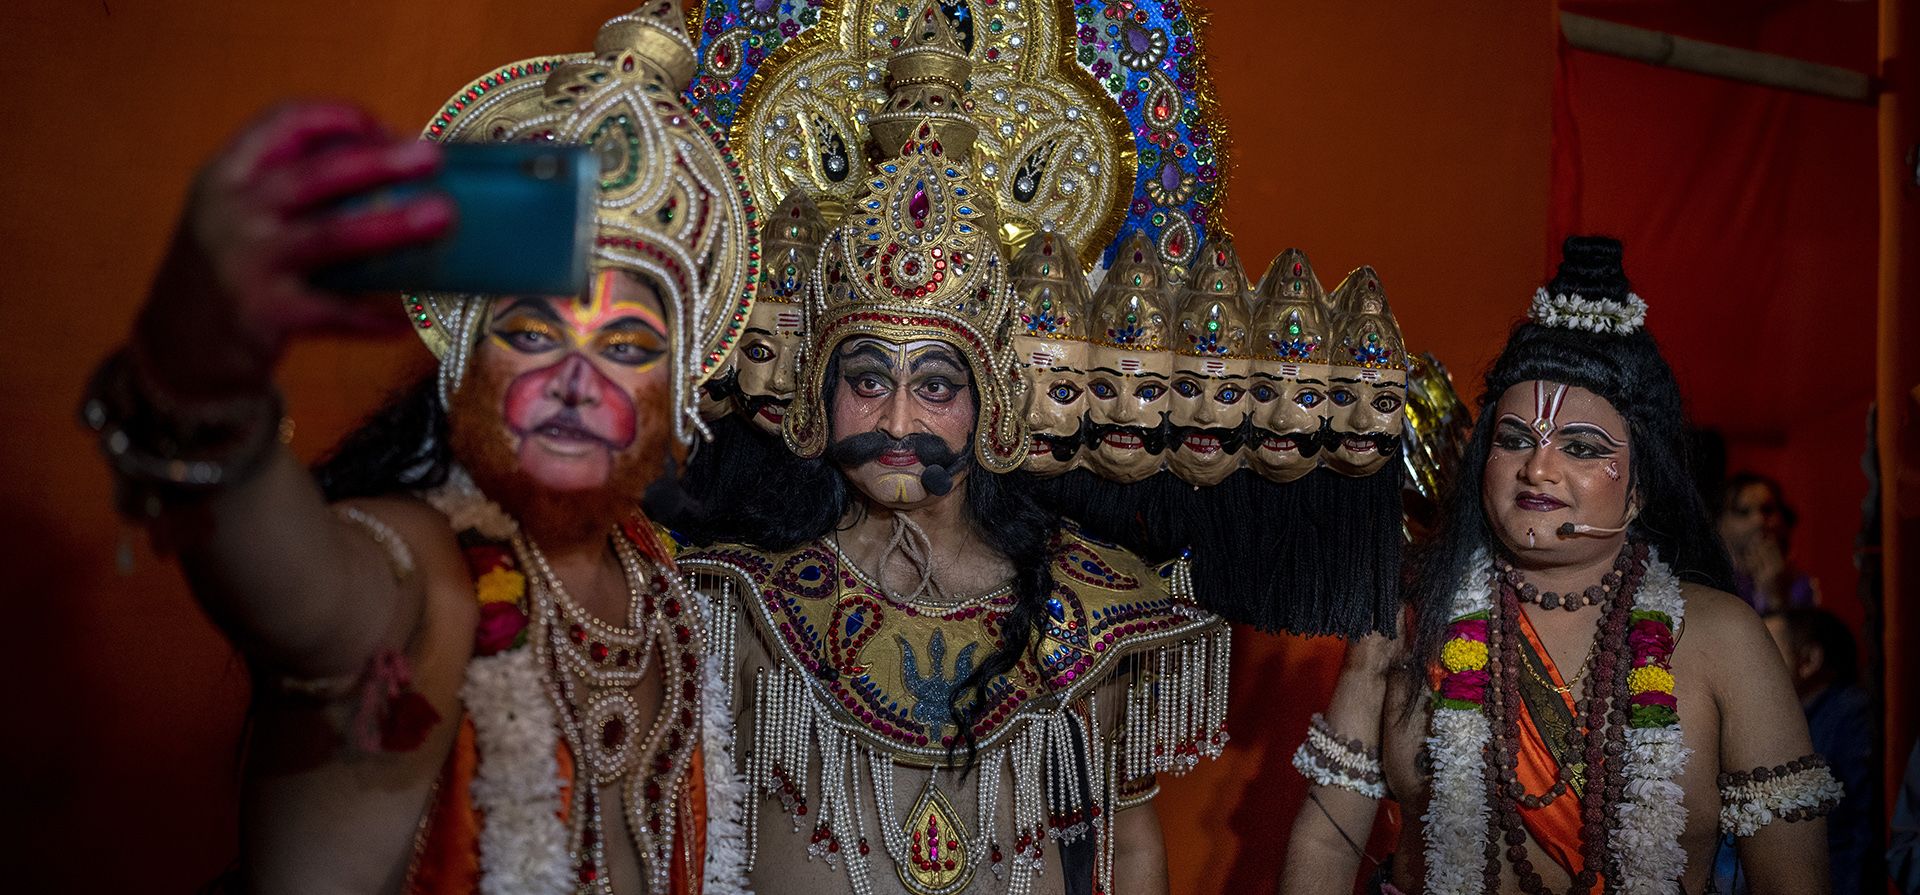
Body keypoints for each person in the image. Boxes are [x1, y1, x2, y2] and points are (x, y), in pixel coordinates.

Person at [81, 4, 759, 892]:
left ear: (679, 396)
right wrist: (202, 375)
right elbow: (309, 594)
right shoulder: (429, 574)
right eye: (531, 334)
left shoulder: (663, 588)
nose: (573, 381)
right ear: (466, 360)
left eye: (626, 349)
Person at [668, 7, 1232, 894]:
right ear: (816, 392)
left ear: (993, 405)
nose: (898, 418)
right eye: (866, 378)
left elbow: (1127, 853)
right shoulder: (744, 602)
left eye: (934, 384)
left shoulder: (1089, 611)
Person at [1279, 236, 1841, 895]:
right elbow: (1325, 842)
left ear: (1638, 487)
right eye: (1514, 439)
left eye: (1580, 446)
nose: (1537, 466)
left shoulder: (1723, 640)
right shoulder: (1401, 624)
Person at [1762, 608, 1876, 895]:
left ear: (1809, 660)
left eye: (1765, 651)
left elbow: (1866, 826)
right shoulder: (1791, 720)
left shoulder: (1851, 715)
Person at [1719, 472, 1818, 612]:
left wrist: (1774, 595)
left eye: (1767, 510)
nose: (1759, 521)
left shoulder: (1799, 585)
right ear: (1719, 523)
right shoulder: (1713, 583)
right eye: (1743, 512)